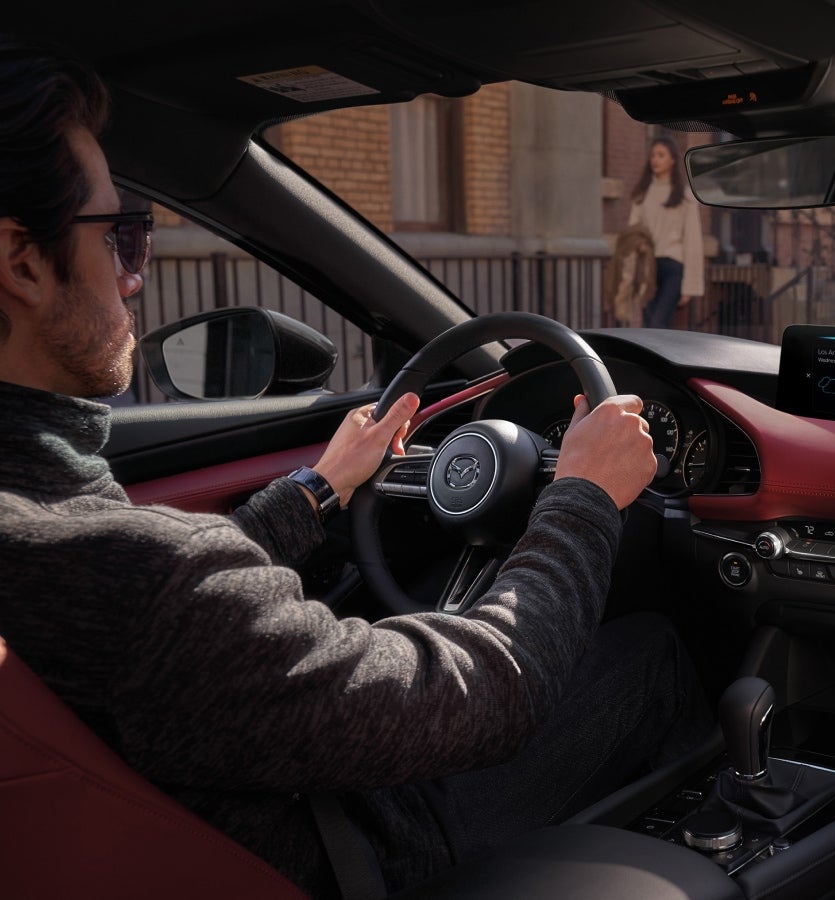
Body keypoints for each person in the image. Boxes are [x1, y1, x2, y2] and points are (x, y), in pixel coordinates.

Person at [0, 38, 710, 897]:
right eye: (120, 236)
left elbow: (177, 618)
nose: (133, 278)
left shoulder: (49, 532)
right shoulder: (137, 584)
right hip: (368, 849)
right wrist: (585, 497)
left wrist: (319, 488)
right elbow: (489, 690)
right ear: (23, 262)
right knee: (654, 650)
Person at [627, 135, 704, 328]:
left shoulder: (685, 197)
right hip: (647, 267)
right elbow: (632, 234)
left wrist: (690, 286)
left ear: (672, 160)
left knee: (657, 323)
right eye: (653, 155)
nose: (655, 159)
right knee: (648, 327)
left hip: (673, 269)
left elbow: (692, 241)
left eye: (661, 155)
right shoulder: (642, 195)